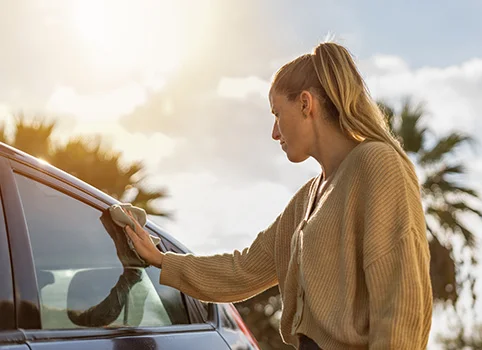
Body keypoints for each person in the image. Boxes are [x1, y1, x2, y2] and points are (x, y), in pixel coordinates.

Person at [124, 41, 433, 350]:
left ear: (305, 104)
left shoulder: (377, 164)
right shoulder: (306, 199)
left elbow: (401, 299)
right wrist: (163, 260)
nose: (274, 132)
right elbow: (243, 270)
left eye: (277, 113)